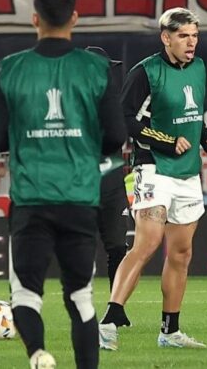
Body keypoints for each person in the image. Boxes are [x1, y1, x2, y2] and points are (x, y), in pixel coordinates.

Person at [0, 0, 126, 369]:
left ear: (35, 19)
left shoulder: (11, 69)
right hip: (79, 198)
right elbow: (115, 137)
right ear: (74, 18)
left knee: (26, 295)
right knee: (80, 297)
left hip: (30, 200)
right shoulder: (96, 68)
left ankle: (38, 353)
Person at [98, 7, 207, 350]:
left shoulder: (199, 68)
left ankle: (170, 332)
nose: (191, 42)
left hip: (188, 173)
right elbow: (125, 120)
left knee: (182, 253)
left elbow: (194, 114)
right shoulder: (146, 72)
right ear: (165, 37)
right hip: (153, 166)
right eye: (183, 36)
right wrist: (166, 141)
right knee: (148, 243)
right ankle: (109, 321)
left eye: (195, 35)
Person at [85, 46, 130, 292]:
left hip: (112, 184)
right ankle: (80, 308)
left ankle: (116, 307)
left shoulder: (114, 101)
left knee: (118, 247)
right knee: (80, 248)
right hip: (82, 185)